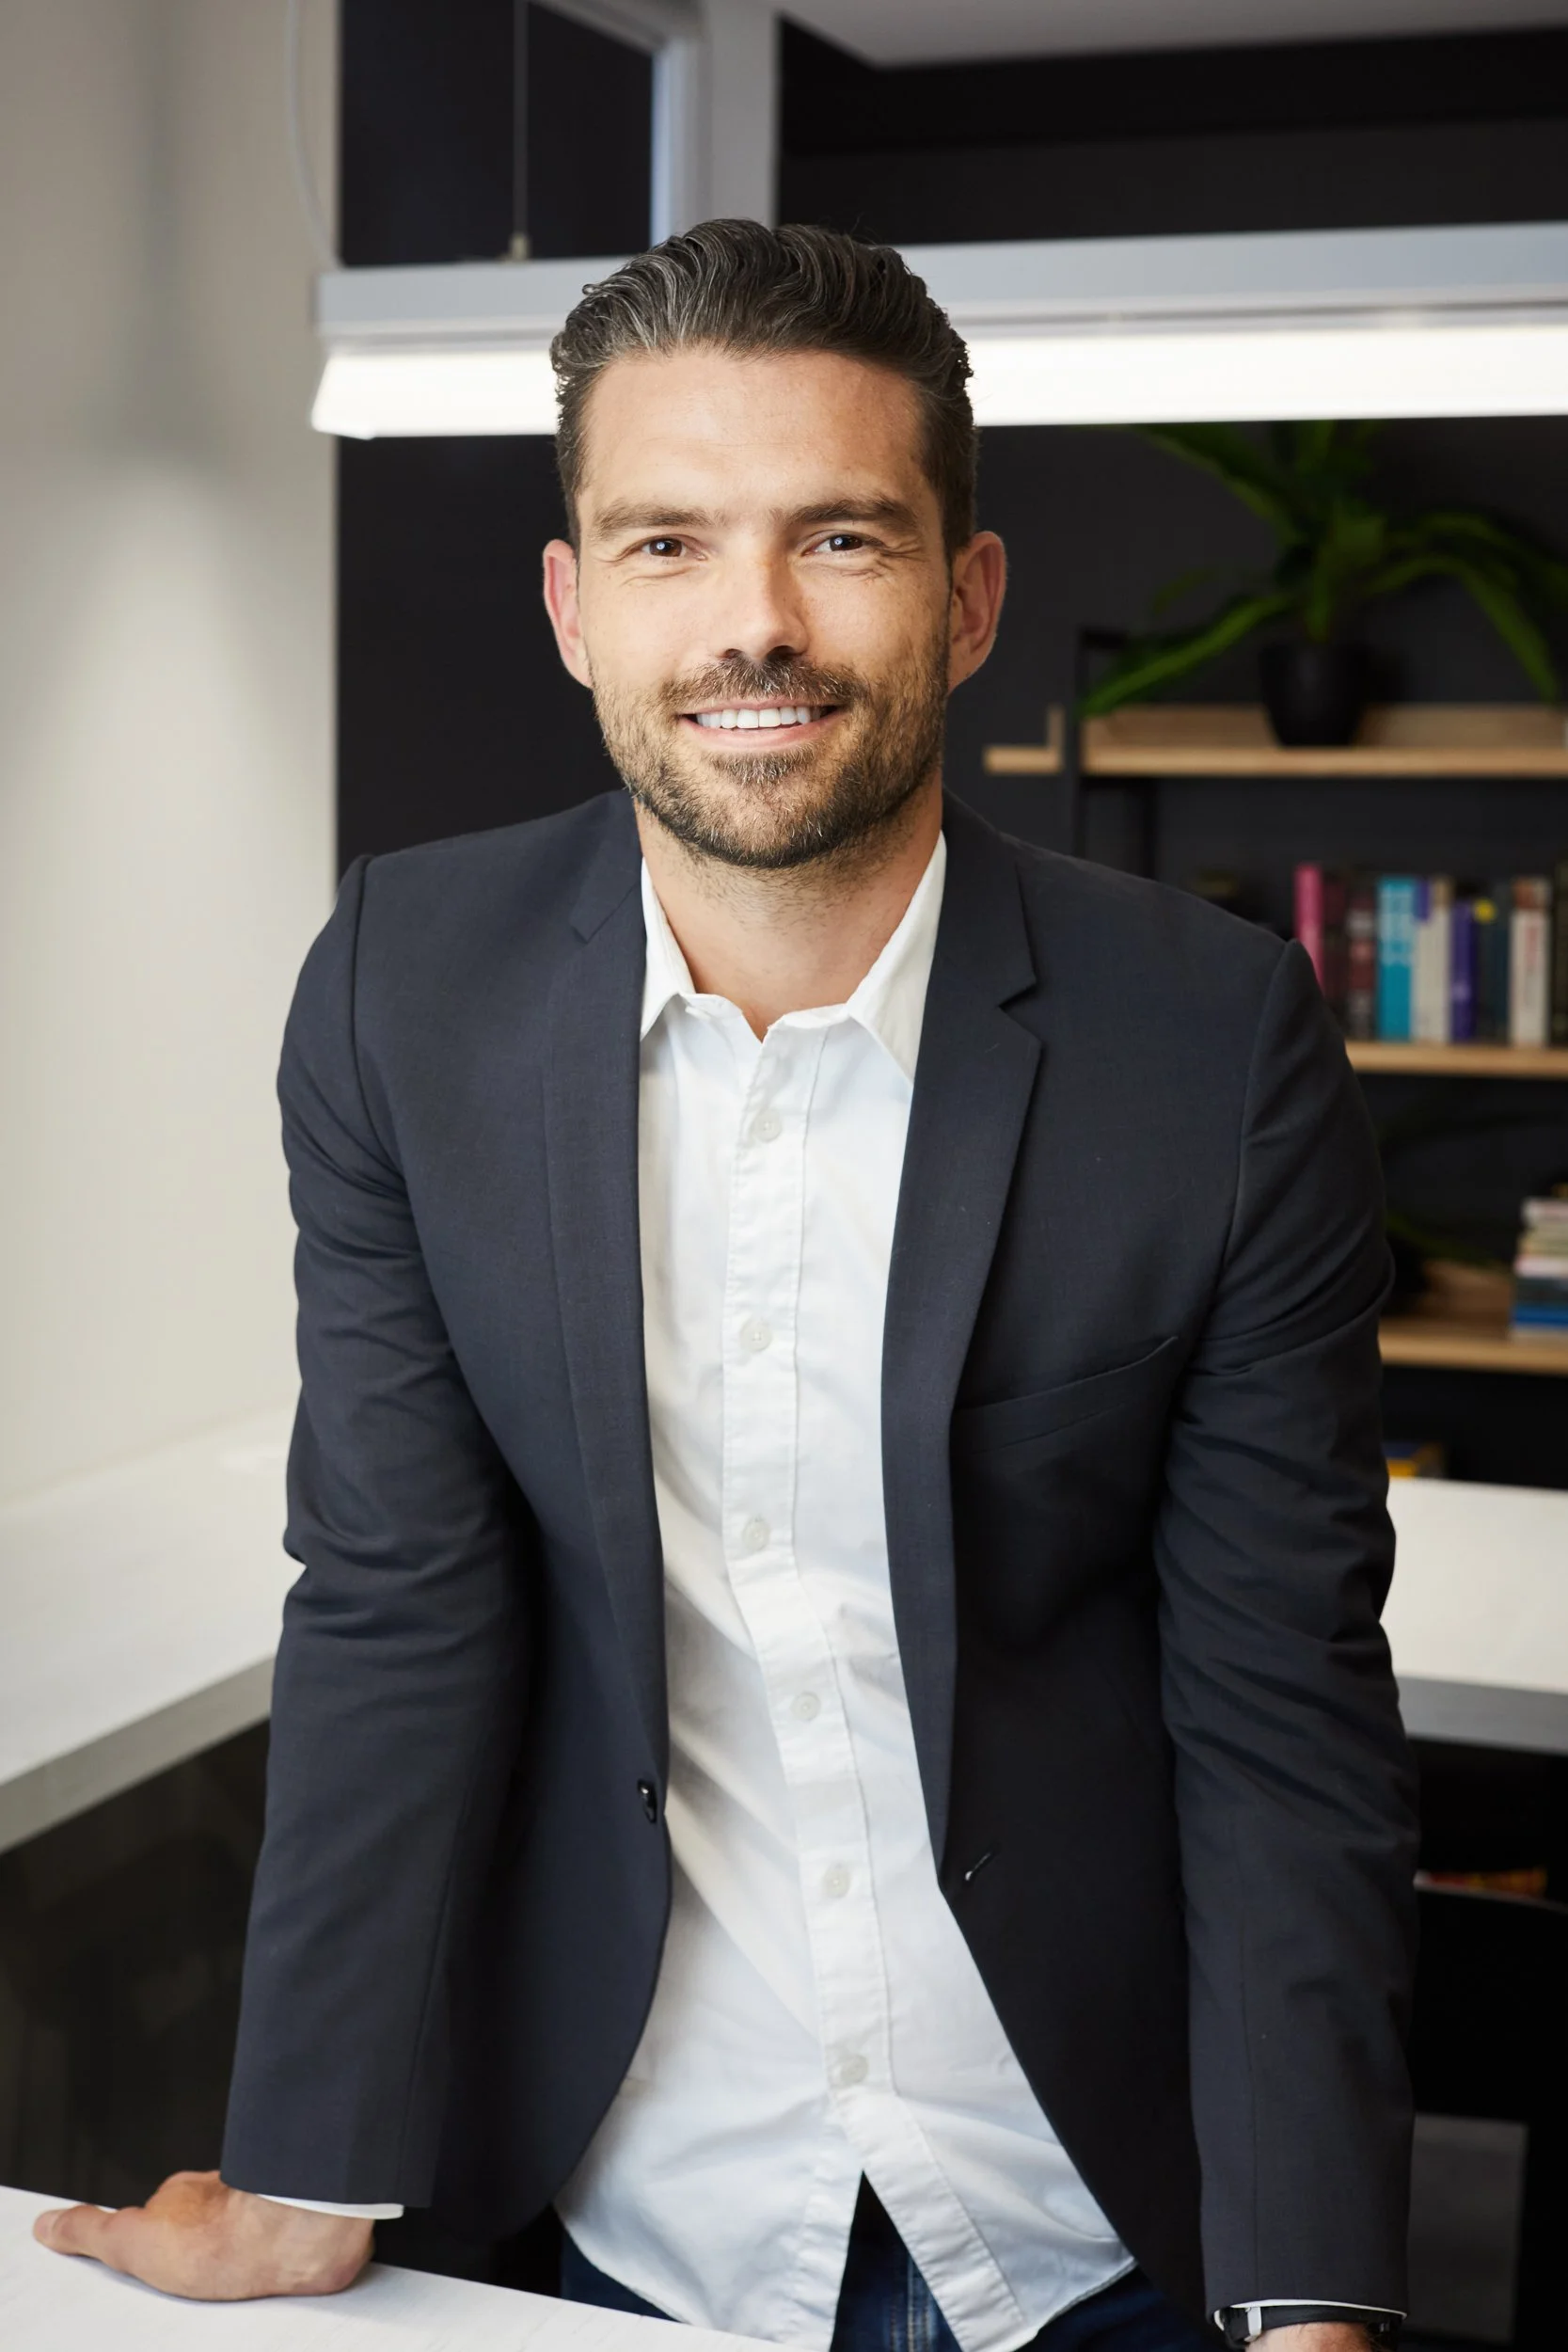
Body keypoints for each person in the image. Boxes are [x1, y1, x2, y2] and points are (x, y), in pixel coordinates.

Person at [36, 222, 1418, 2352]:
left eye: (838, 535)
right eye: (667, 541)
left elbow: (1277, 1707)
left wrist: (1310, 2301)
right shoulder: (406, 991)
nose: (749, 624)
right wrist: (310, 2163)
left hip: (1095, 2216)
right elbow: (398, 1591)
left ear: (964, 600)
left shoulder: (1210, 1043)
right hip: (616, 2210)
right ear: (576, 605)